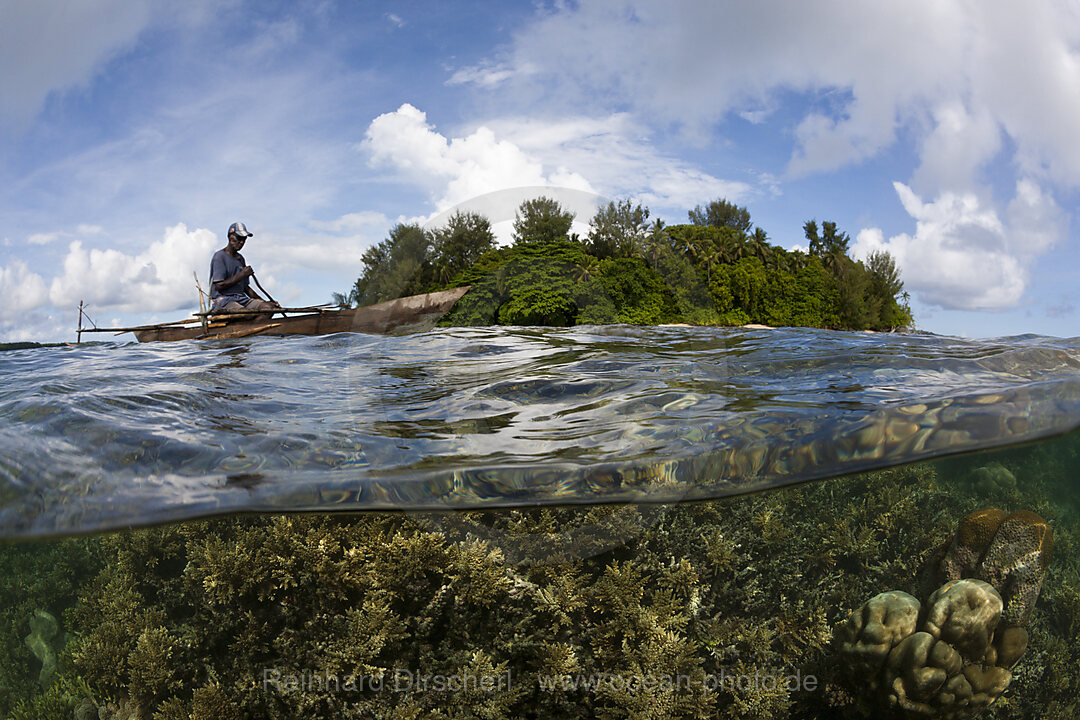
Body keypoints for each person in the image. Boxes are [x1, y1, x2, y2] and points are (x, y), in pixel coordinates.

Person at [208, 222, 280, 314]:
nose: (241, 242)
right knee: (245, 312)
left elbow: (246, 288)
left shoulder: (240, 259)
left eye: (244, 239)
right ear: (230, 237)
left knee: (268, 308)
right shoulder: (219, 256)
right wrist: (242, 274)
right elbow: (219, 286)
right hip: (223, 301)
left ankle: (252, 326)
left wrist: (265, 302)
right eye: (239, 238)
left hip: (241, 300)